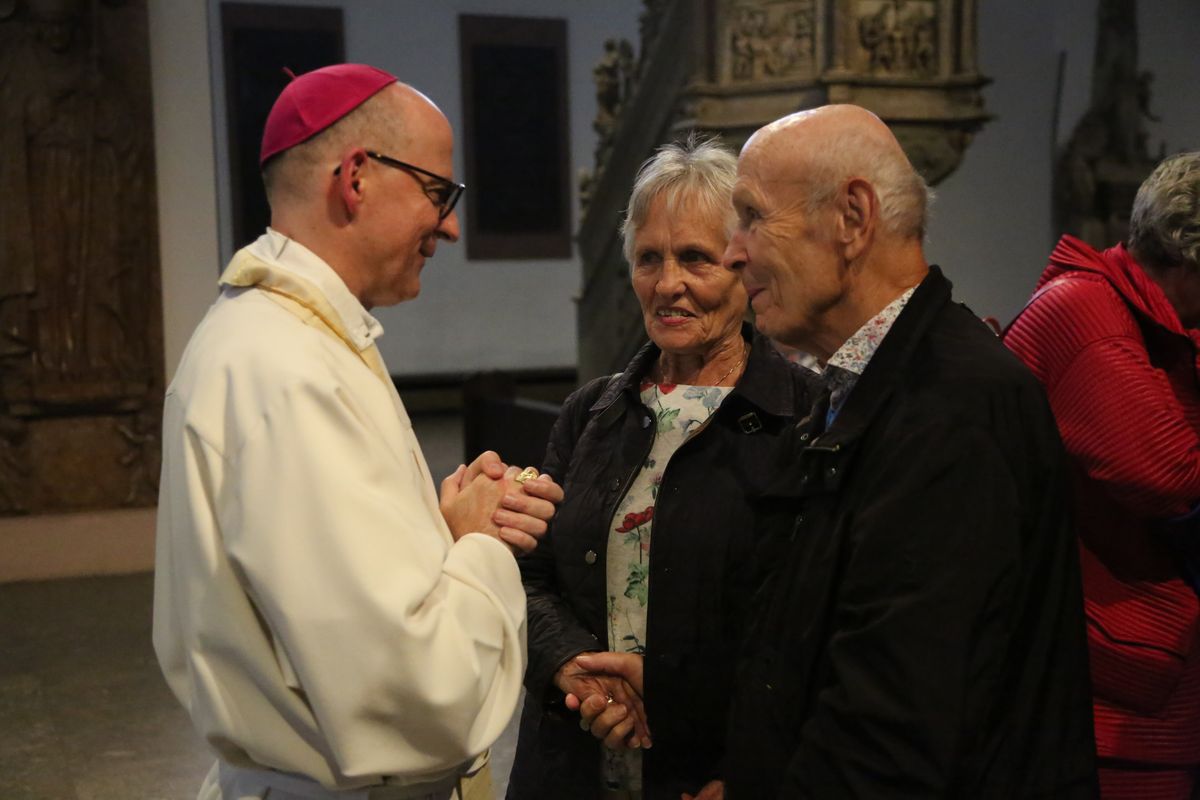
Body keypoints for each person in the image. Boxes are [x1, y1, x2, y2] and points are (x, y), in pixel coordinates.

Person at [152, 63, 563, 800]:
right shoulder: (288, 370)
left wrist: (428, 533)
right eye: (440, 192)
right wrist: (477, 546)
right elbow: (411, 688)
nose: (451, 224)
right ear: (356, 177)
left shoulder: (280, 337)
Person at [705, 104, 1097, 797]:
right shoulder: (864, 383)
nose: (733, 250)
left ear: (852, 219)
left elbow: (893, 731)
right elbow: (813, 631)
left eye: (752, 216)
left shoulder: (954, 406)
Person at [505, 138, 814, 800]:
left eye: (695, 259)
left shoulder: (803, 417)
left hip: (714, 768)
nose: (668, 283)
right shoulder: (593, 411)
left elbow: (807, 627)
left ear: (743, 263)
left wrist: (751, 769)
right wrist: (572, 671)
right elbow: (527, 575)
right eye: (650, 259)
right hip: (574, 762)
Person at [1005, 152, 1200, 799]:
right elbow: (1173, 475)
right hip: (1111, 701)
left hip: (1134, 692)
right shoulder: (1087, 314)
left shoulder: (1142, 320)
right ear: (1187, 256)